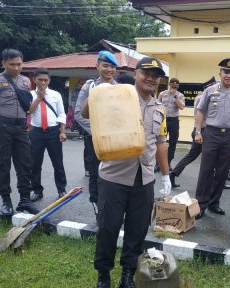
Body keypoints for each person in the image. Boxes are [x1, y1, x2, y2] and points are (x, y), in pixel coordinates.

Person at [83, 56, 171, 288]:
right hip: (114, 175)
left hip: (145, 178)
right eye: (146, 73)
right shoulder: (115, 95)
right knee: (108, 228)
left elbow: (161, 142)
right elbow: (85, 113)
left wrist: (166, 174)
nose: (151, 78)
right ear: (135, 73)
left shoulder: (160, 107)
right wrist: (98, 92)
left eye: (156, 75)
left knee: (137, 230)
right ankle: (103, 275)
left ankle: (127, 275)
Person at [0, 49, 38, 215]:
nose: (16, 68)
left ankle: (25, 200)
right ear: (3, 63)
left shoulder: (26, 81)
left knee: (25, 164)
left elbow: (27, 104)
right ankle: (6, 201)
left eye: (19, 64)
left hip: (21, 128)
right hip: (2, 128)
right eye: (12, 64)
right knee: (2, 164)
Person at [194, 58, 230, 219]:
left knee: (222, 171)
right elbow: (200, 111)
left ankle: (214, 203)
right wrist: (197, 132)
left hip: (229, 135)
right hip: (211, 133)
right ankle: (200, 205)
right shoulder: (209, 91)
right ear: (220, 73)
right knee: (206, 170)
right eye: (226, 72)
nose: (228, 75)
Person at [75, 50, 118, 220]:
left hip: (115, 140)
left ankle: (112, 206)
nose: (109, 70)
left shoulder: (120, 89)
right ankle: (97, 206)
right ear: (97, 66)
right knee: (96, 173)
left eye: (112, 67)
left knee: (115, 173)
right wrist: (98, 132)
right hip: (94, 139)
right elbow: (79, 114)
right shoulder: (89, 87)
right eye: (105, 65)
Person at [28, 68, 67, 201]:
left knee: (57, 162)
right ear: (34, 80)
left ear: (49, 80)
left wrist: (62, 131)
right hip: (36, 132)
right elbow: (30, 111)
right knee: (35, 163)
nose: (43, 82)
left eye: (45, 80)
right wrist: (39, 98)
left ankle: (62, 189)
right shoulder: (30, 94)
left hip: (53, 132)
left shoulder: (56, 94)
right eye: (40, 80)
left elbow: (61, 113)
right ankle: (37, 191)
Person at [170, 77, 216, 187]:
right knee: (198, 156)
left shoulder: (201, 97)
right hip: (202, 130)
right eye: (213, 86)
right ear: (208, 88)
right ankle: (174, 173)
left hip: (202, 130)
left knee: (206, 155)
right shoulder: (203, 98)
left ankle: (174, 173)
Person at [158, 78, 185, 169]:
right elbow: (158, 106)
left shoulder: (180, 95)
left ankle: (168, 163)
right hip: (163, 120)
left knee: (173, 143)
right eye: (173, 83)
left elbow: (181, 107)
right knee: (161, 142)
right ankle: (159, 164)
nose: (175, 85)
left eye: (177, 84)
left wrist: (175, 97)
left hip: (174, 121)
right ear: (170, 84)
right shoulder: (162, 94)